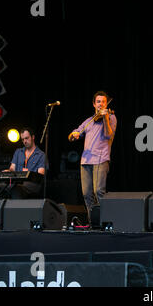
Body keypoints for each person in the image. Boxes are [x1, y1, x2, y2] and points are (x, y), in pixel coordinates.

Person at [68, 91, 117, 225]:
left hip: (101, 159)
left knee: (98, 191)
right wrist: (74, 135)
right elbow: (73, 134)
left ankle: (104, 222)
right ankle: (93, 222)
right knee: (86, 194)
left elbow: (108, 135)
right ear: (94, 104)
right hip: (86, 161)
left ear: (106, 104)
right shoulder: (89, 121)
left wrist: (105, 118)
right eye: (99, 101)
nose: (101, 104)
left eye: (103, 102)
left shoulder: (111, 117)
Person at [0, 127, 46, 199]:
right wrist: (8, 171)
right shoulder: (18, 152)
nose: (25, 141)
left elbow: (40, 175)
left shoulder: (41, 155)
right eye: (22, 139)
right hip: (16, 183)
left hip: (32, 184)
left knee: (16, 189)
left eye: (26, 138)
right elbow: (12, 168)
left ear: (33, 137)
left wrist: (28, 173)